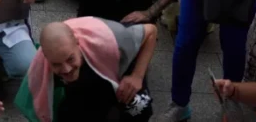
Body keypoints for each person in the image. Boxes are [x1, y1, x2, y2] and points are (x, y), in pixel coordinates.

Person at [16, 17, 158, 122]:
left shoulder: (112, 39)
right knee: (71, 113)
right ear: (45, 57)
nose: (66, 69)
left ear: (77, 43)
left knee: (139, 109)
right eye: (56, 64)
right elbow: (37, 105)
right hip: (86, 70)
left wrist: (137, 76)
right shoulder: (41, 63)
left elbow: (151, 31)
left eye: (70, 59)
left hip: (119, 61)